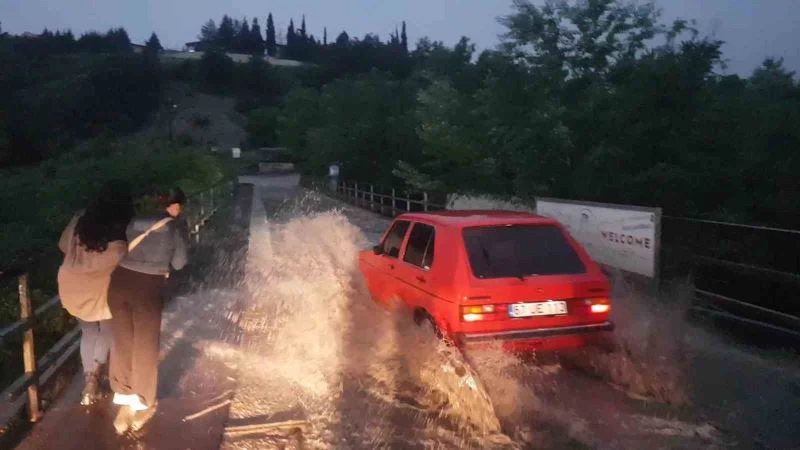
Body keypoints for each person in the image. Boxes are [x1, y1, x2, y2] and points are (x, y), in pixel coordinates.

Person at [108, 187, 188, 434]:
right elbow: (180, 262)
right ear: (174, 206)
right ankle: (142, 403)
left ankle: (124, 398)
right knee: (145, 344)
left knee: (123, 341)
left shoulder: (134, 221)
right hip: (147, 287)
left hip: (119, 283)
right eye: (180, 207)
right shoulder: (173, 227)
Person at [57, 181, 134, 406]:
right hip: (103, 285)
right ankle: (95, 378)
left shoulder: (81, 218)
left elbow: (63, 245)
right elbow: (126, 259)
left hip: (72, 282)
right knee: (107, 329)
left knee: (88, 331)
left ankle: (89, 379)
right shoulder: (121, 231)